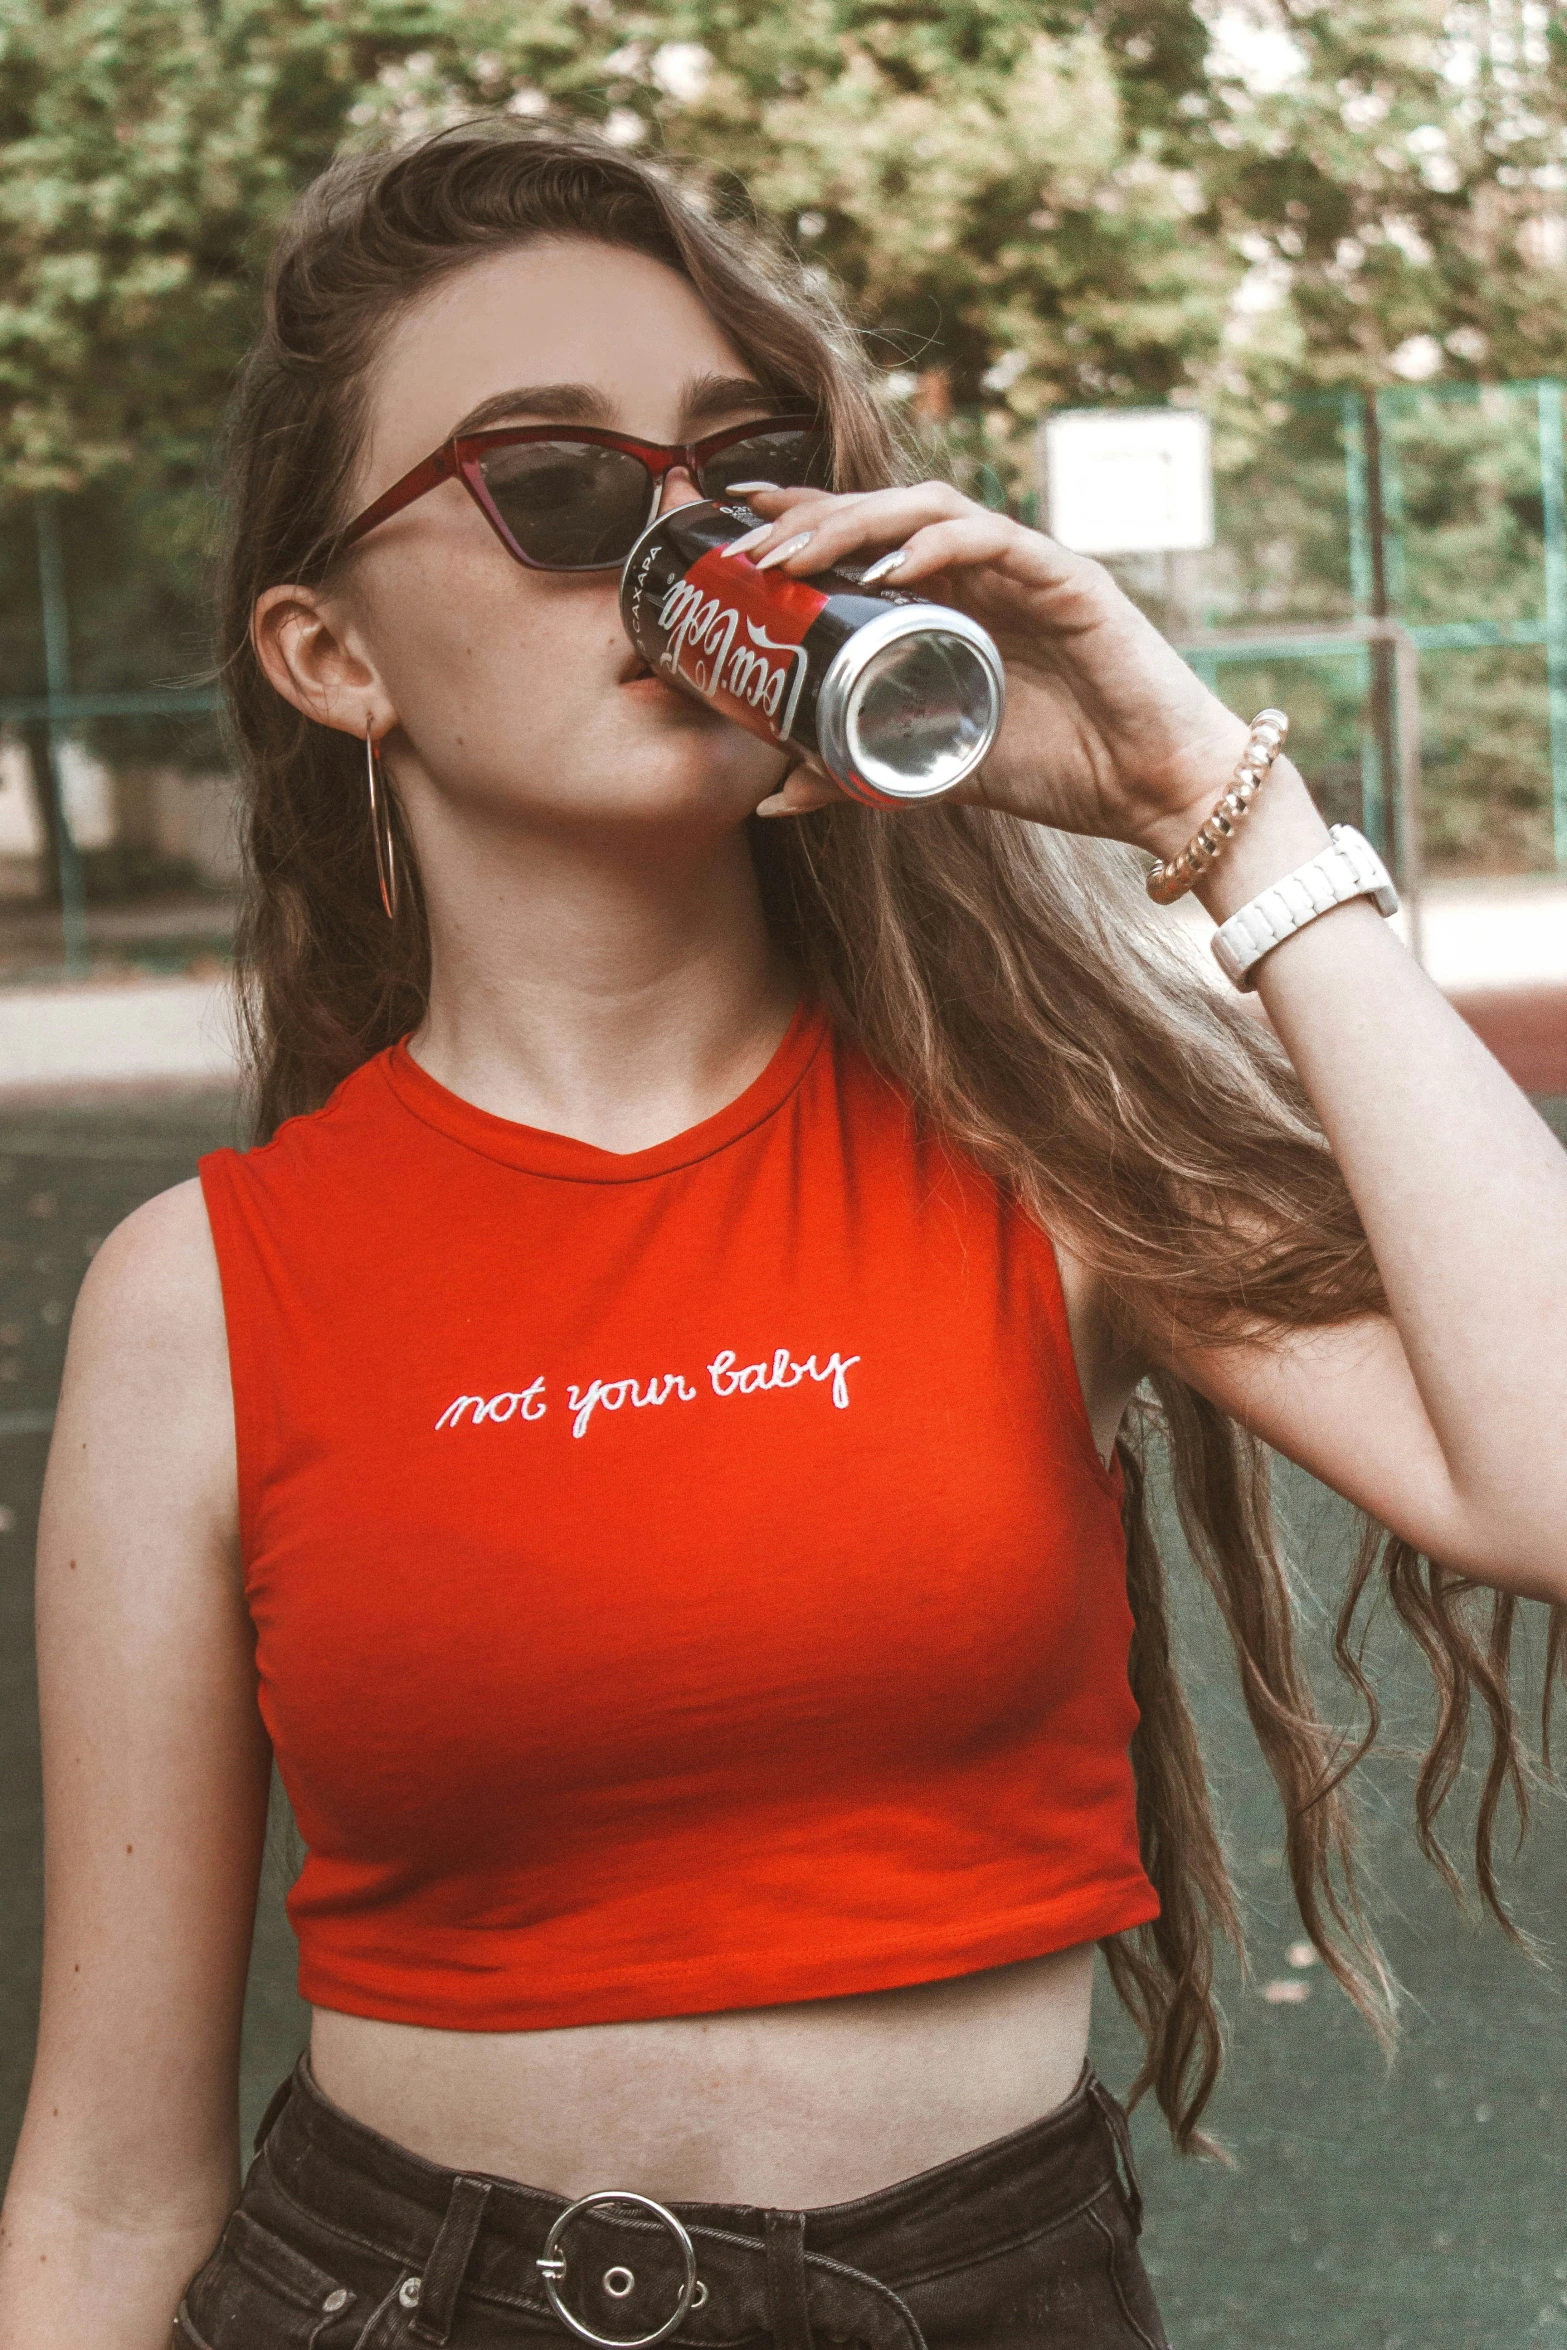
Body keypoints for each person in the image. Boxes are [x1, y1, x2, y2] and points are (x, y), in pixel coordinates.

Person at [2, 117, 1564, 2350]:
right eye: (553, 485)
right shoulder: (206, 1293)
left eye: (737, 468)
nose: (671, 539)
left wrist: (1204, 794)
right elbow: (105, 2172)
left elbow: (1551, 1467)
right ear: (330, 651)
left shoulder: (1031, 1152)